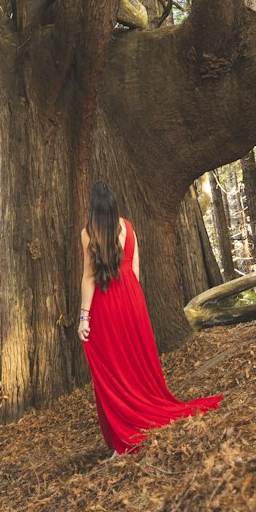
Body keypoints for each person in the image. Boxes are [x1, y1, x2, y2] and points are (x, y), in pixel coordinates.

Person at [78, 180, 222, 455]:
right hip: (132, 297)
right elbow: (135, 269)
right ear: (114, 206)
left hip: (106, 303)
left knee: (114, 366)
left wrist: (84, 317)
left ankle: (125, 426)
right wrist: (135, 303)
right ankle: (143, 405)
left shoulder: (88, 234)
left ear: (94, 209)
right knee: (134, 359)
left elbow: (89, 277)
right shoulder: (128, 227)